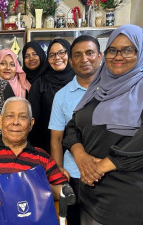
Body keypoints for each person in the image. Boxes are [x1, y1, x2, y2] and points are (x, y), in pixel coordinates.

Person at [62, 25, 143, 225]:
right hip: (91, 195)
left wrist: (98, 168)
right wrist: (81, 158)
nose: (118, 56)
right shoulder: (101, 85)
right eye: (112, 50)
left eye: (128, 49)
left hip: (128, 199)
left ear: (140, 50)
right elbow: (73, 126)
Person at [0, 97, 68, 225]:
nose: (16, 122)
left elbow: (66, 192)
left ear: (31, 124)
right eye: (9, 116)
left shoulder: (42, 157)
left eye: (22, 117)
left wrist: (38, 187)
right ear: (0, 121)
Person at [49, 35, 102, 225]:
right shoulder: (62, 96)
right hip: (74, 176)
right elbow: (56, 138)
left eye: (89, 53)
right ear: (71, 61)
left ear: (100, 56)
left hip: (106, 173)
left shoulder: (114, 91)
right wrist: (58, 171)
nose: (84, 59)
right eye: (78, 55)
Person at [28, 39, 74, 154]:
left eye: (61, 52)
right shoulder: (40, 83)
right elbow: (33, 119)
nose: (57, 57)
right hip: (46, 144)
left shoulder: (79, 80)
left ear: (69, 54)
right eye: (52, 55)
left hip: (78, 145)